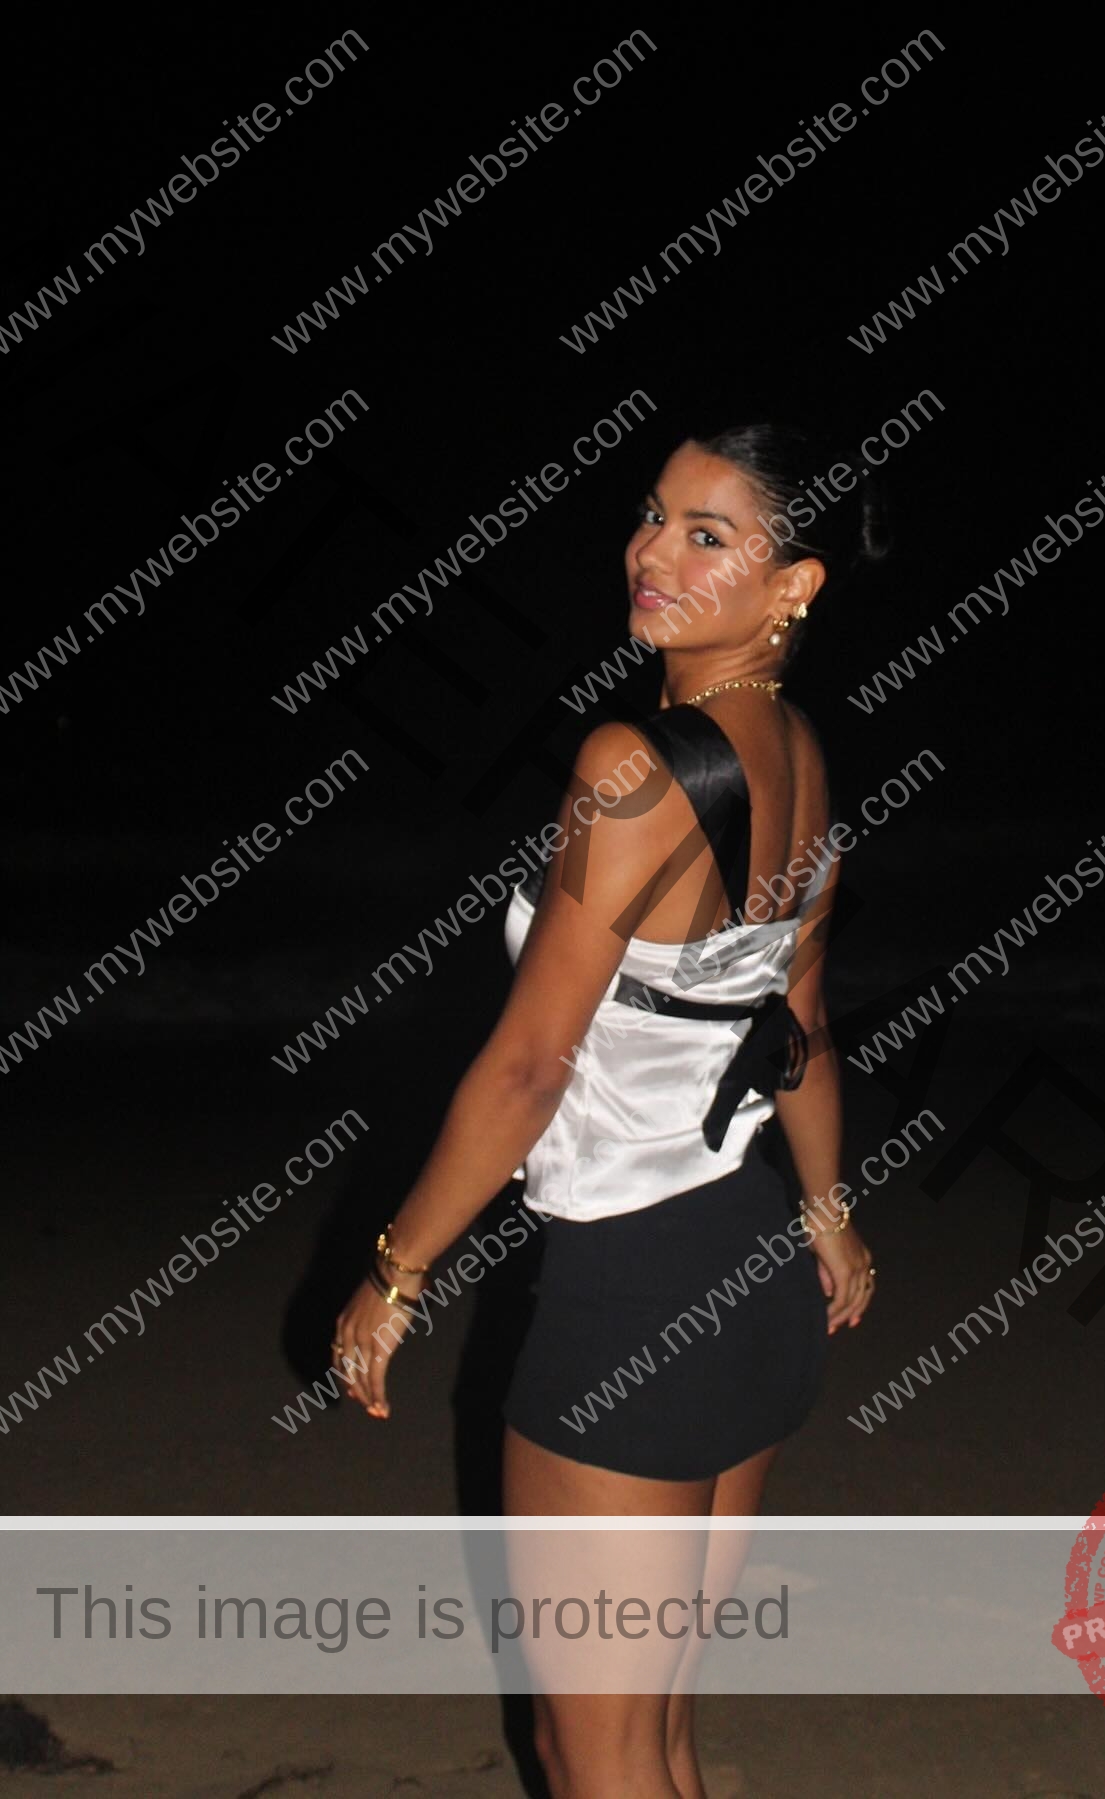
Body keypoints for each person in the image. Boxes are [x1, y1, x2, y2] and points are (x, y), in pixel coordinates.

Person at [331, 421, 887, 1796]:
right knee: (656, 1740)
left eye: (710, 535)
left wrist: (398, 1271)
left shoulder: (631, 767)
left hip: (632, 1295)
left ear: (795, 584)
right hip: (752, 1275)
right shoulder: (806, 759)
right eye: (654, 515)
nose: (652, 552)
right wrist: (828, 1214)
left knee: (595, 1758)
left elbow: (528, 1068)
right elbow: (800, 1024)